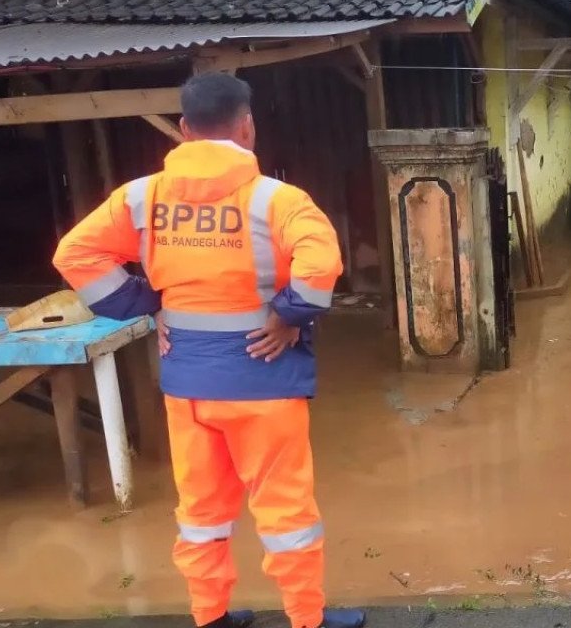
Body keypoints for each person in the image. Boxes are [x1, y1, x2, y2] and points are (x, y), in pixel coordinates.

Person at [52, 73, 363, 628]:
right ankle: (306, 619)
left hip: (187, 384)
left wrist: (144, 304)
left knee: (200, 512)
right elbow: (320, 267)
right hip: (264, 381)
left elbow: (75, 254)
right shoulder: (279, 200)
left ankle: (210, 615)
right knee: (286, 510)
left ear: (183, 130)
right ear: (247, 127)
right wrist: (289, 315)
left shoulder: (141, 197)